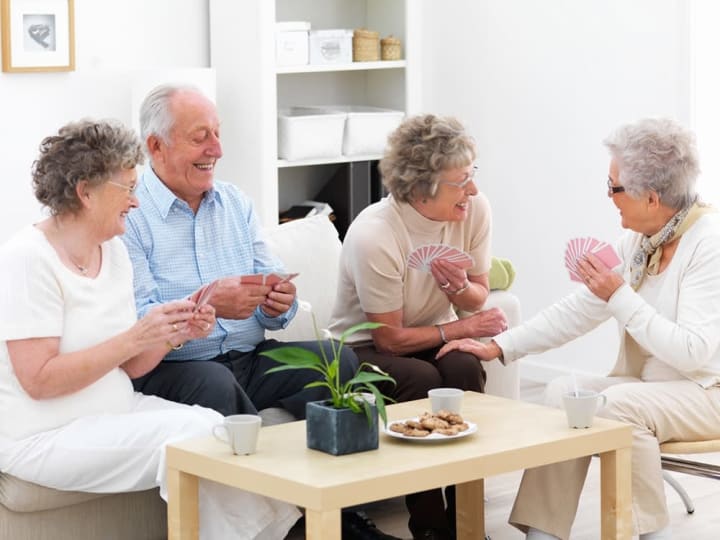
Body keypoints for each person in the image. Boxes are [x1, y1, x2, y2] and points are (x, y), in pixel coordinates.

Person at [0, 119, 300, 539]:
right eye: (127, 189)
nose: (137, 203)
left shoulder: (114, 253)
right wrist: (134, 337)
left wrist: (175, 331)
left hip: (119, 410)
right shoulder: (28, 259)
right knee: (195, 435)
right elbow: (39, 380)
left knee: (222, 429)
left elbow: (135, 367)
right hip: (46, 434)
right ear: (85, 192)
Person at [123, 84, 397, 540]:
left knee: (337, 359)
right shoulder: (130, 216)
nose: (217, 149)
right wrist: (205, 305)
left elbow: (271, 279)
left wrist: (278, 304)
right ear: (156, 145)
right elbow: (141, 318)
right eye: (200, 137)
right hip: (176, 366)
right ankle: (289, 526)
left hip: (249, 357)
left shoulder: (234, 202)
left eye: (218, 133)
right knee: (216, 382)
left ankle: (343, 512)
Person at [438, 117, 720, 540]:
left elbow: (695, 352)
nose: (609, 197)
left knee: (618, 406)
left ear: (652, 197)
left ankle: (647, 533)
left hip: (706, 390)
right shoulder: (642, 242)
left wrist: (620, 295)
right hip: (654, 386)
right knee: (559, 395)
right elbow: (580, 309)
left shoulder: (708, 243)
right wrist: (499, 346)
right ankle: (542, 534)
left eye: (614, 187)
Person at [328, 114, 508, 540]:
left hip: (428, 332)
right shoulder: (376, 234)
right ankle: (429, 526)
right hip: (364, 346)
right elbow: (388, 338)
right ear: (421, 187)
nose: (473, 190)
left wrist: (462, 291)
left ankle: (466, 520)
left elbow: (479, 292)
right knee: (422, 378)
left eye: (472, 175)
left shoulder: (474, 210)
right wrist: (459, 330)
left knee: (463, 367)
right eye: (461, 181)